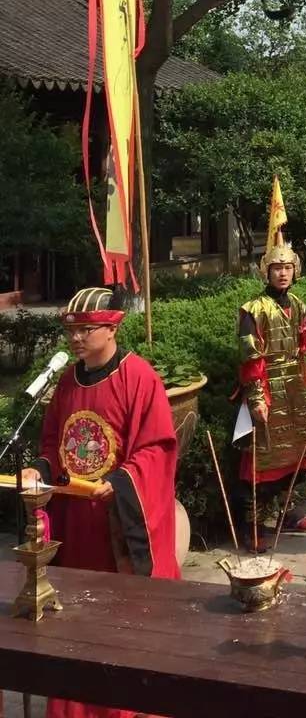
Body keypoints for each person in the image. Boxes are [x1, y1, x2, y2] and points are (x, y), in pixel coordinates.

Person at [25, 288, 179, 718]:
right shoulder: (67, 382)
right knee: (76, 622)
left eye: (86, 329)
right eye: (71, 330)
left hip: (117, 524)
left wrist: (121, 481)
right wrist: (40, 467)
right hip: (77, 521)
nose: (75, 339)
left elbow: (157, 448)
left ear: (112, 328)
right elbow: (54, 440)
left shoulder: (139, 377)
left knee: (123, 623)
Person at [234, 240, 306, 550]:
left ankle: (287, 514)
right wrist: (257, 397)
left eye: (288, 267)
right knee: (262, 456)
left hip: (294, 386)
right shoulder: (253, 309)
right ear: (267, 271)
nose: (283, 273)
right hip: (267, 387)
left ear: (295, 271)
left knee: (297, 451)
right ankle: (253, 527)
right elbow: (251, 357)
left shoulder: (300, 305)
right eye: (277, 268)